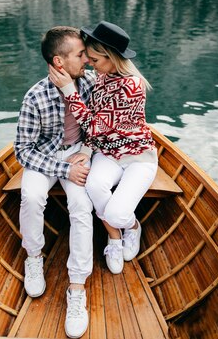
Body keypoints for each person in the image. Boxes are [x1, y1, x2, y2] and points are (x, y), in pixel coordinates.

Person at [48, 20, 158, 275]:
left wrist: (69, 92)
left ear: (111, 57)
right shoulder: (102, 75)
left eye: (95, 60)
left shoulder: (132, 87)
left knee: (119, 214)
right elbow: (96, 131)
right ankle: (114, 238)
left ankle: (130, 227)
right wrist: (86, 150)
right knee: (93, 185)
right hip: (107, 153)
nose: (91, 65)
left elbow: (96, 126)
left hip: (138, 157)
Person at [14, 26, 96, 339]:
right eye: (80, 54)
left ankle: (76, 288)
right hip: (46, 157)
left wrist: (86, 153)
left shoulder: (89, 82)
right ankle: (33, 258)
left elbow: (96, 128)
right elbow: (23, 151)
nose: (87, 59)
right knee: (32, 196)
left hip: (78, 154)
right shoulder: (35, 96)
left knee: (80, 205)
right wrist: (63, 169)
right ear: (59, 62)